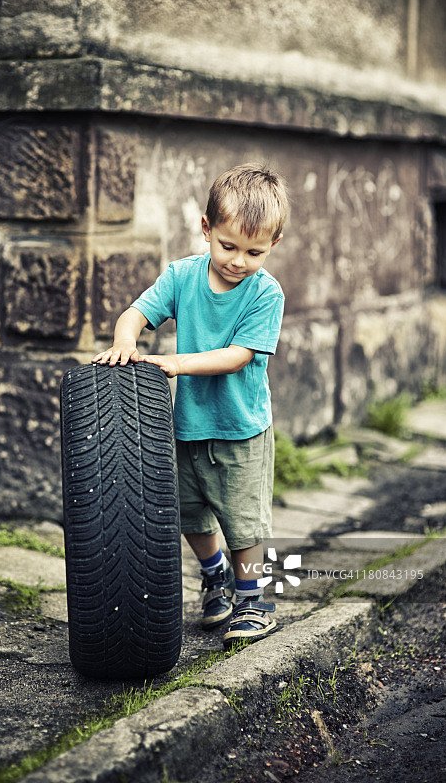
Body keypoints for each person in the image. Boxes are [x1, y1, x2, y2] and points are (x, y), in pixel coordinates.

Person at [93, 162, 287, 648]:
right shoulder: (182, 276)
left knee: (243, 522)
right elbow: (136, 313)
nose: (238, 260)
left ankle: (255, 601)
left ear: (273, 246)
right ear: (206, 229)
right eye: (228, 246)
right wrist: (124, 339)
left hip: (240, 429)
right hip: (188, 426)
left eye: (254, 251)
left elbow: (239, 355)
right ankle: (214, 575)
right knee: (192, 515)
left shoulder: (265, 293)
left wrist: (176, 362)